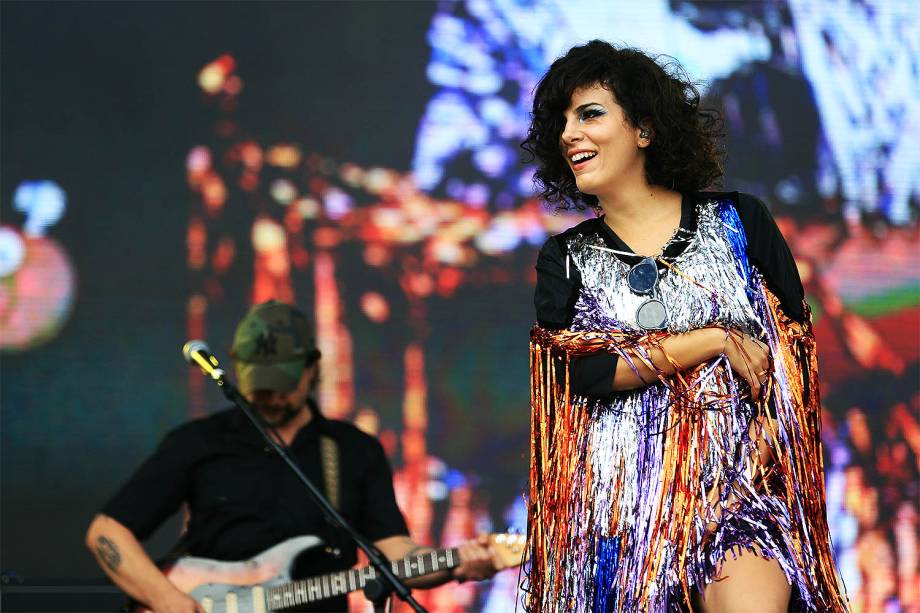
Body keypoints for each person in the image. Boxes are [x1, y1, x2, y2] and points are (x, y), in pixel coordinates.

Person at [522, 41, 848, 612]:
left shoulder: (740, 222)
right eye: (562, 122)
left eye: (590, 114)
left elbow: (796, 362)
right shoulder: (564, 257)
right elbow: (578, 374)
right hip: (616, 524)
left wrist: (746, 471)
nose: (569, 133)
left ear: (644, 129)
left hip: (736, 502)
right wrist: (710, 340)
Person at [86, 300, 498, 612]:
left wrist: (459, 563)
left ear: (313, 368)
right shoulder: (199, 442)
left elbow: (396, 554)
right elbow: (107, 531)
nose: (270, 396)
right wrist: (169, 601)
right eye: (258, 385)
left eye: (282, 383)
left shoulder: (352, 450)